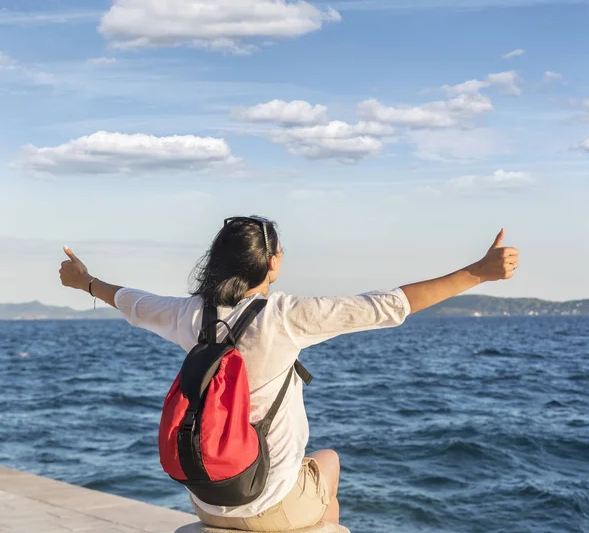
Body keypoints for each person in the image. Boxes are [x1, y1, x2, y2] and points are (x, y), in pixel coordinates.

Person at [59, 216, 519, 531]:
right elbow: (389, 305)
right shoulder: (284, 315)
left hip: (206, 498)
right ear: (273, 263)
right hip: (268, 500)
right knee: (330, 463)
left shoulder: (190, 315)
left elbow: (132, 302)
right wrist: (477, 273)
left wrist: (85, 282)